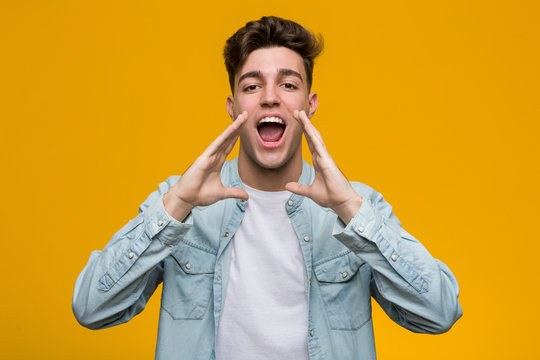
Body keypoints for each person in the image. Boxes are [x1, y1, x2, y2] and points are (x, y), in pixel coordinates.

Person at [73, 16, 462, 360]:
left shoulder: (358, 207)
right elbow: (92, 308)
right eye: (252, 85)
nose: (271, 96)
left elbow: (439, 313)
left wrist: (349, 208)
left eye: (288, 84)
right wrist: (177, 204)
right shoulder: (180, 201)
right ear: (233, 106)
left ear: (309, 105)